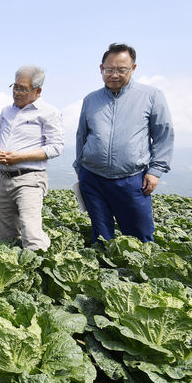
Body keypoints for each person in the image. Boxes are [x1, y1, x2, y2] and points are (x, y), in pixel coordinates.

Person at [74, 43, 174, 243]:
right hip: (93, 177)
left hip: (132, 178)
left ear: (133, 69)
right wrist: (80, 168)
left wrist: (155, 171)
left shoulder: (151, 96)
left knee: (140, 234)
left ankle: (141, 272)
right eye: (109, 69)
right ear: (101, 68)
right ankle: (103, 272)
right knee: (101, 236)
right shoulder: (90, 99)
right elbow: (81, 136)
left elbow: (164, 134)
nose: (114, 74)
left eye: (121, 70)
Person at [0, 66, 64, 250]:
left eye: (22, 88)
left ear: (38, 91)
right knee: (7, 233)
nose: (17, 92)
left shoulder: (49, 112)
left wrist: (20, 157)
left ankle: (40, 269)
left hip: (30, 178)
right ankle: (16, 272)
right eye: (15, 87)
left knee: (31, 232)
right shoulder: (7, 111)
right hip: (4, 178)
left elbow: (56, 147)